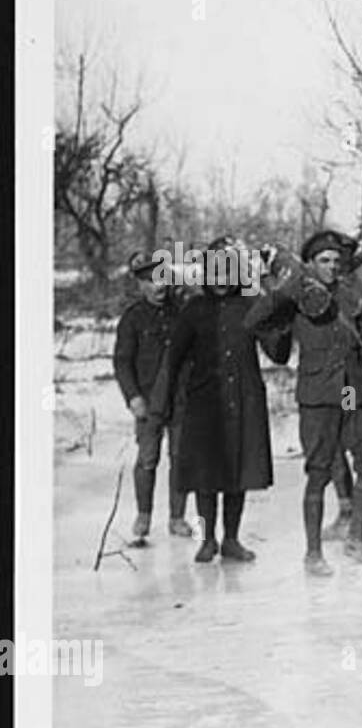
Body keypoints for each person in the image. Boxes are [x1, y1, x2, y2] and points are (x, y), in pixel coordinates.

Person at [244, 229, 362, 575]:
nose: (332, 266)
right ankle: (313, 554)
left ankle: (356, 538)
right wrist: (279, 292)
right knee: (319, 471)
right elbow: (257, 326)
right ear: (309, 264)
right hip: (319, 396)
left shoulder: (352, 295)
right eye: (324, 260)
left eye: (337, 261)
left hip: (350, 391)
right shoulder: (294, 296)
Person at [151, 236, 276, 563]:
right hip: (204, 403)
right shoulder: (195, 309)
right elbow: (173, 357)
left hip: (244, 400)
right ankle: (207, 539)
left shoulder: (251, 304)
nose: (221, 279)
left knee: (237, 475)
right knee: (205, 478)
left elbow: (277, 352)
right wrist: (159, 406)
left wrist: (276, 312)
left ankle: (231, 540)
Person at [113, 250, 192, 543]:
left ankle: (177, 517)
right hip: (147, 401)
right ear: (140, 285)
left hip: (181, 399)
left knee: (180, 458)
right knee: (147, 459)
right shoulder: (132, 318)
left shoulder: (183, 311)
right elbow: (122, 361)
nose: (159, 286)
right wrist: (133, 397)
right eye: (150, 281)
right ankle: (144, 515)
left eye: (163, 278)